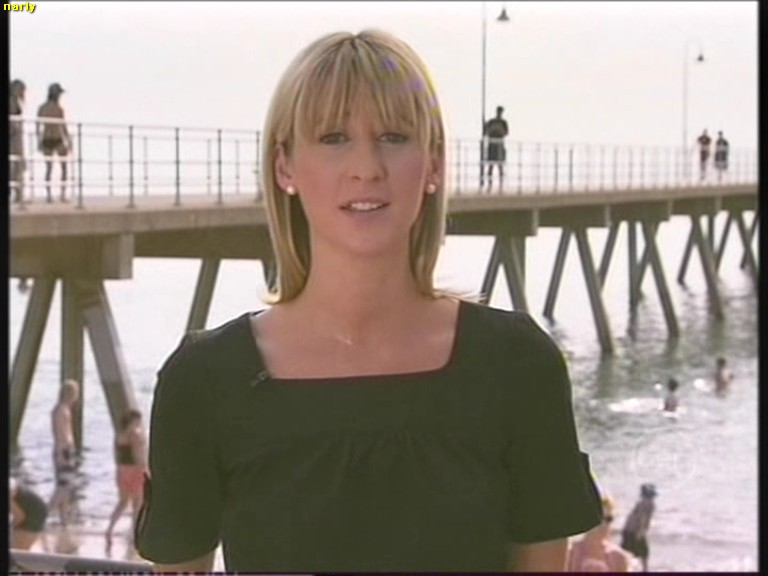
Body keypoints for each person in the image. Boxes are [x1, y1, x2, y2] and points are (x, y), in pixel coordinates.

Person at [135, 29, 602, 573]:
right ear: (285, 166)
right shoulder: (206, 380)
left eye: (394, 137)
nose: (367, 167)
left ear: (433, 163)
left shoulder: (517, 365)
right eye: (334, 137)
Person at [105, 409, 148, 551]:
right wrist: (146, 469)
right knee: (137, 503)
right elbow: (138, 456)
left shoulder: (120, 435)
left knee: (122, 503)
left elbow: (117, 455)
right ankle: (134, 533)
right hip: (135, 470)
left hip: (122, 470)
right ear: (134, 420)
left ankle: (110, 528)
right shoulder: (135, 434)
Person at [567, 495, 632, 572]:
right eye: (598, 518)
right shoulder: (570, 554)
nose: (603, 524)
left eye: (608, 519)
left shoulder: (618, 558)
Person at [49, 379, 79, 527]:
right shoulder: (62, 410)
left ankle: (64, 520)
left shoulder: (61, 409)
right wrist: (63, 452)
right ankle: (46, 513)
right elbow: (62, 433)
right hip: (64, 450)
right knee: (64, 487)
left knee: (66, 486)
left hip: (63, 450)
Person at [36, 82, 72, 203]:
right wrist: (39, 139)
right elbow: (38, 125)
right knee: (52, 167)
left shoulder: (56, 108)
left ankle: (58, 194)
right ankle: (51, 194)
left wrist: (68, 139)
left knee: (59, 166)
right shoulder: (48, 108)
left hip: (55, 138)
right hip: (50, 138)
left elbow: (63, 125)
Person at [620, 483, 656, 572]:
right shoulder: (649, 503)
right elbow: (643, 518)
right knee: (644, 552)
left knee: (626, 552)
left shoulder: (642, 502)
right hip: (634, 530)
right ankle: (644, 570)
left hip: (628, 529)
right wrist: (641, 531)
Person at [10, 479, 49, 550]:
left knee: (18, 550)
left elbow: (20, 517)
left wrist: (12, 527)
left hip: (33, 512)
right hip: (31, 509)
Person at [483, 105, 509, 192]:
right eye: (499, 111)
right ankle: (489, 184)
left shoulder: (503, 122)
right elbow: (486, 132)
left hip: (499, 145)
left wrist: (498, 131)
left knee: (500, 166)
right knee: (490, 166)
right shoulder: (491, 121)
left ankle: (501, 185)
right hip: (492, 145)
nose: (499, 113)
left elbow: (506, 133)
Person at [9, 78, 27, 203]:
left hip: (16, 136)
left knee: (17, 165)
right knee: (16, 164)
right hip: (13, 137)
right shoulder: (11, 102)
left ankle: (18, 193)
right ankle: (17, 193)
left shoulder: (15, 101)